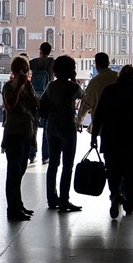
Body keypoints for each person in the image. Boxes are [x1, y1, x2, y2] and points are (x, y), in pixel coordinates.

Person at [91, 64, 133, 218]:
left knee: (113, 171)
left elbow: (99, 115)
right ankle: (130, 206)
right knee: (131, 174)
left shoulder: (109, 89)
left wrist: (94, 136)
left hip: (110, 138)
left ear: (120, 75)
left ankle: (115, 194)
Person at [41, 55, 85, 212]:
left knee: (53, 163)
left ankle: (52, 198)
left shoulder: (51, 86)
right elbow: (82, 95)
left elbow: (43, 101)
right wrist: (74, 79)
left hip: (51, 126)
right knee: (67, 165)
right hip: (67, 126)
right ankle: (64, 199)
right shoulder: (73, 87)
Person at [2, 55, 40, 221]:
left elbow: (37, 106)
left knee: (21, 170)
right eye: (20, 71)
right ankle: (13, 208)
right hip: (14, 133)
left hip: (26, 132)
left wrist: (30, 92)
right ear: (14, 71)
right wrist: (18, 87)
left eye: (25, 70)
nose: (23, 73)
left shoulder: (28, 87)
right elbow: (10, 105)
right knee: (14, 172)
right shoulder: (8, 87)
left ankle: (18, 205)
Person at [76, 52, 118, 131]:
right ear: (108, 63)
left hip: (101, 124)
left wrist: (79, 121)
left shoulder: (94, 82)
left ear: (97, 65)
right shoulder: (119, 77)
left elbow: (86, 105)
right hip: (119, 122)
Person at [29, 42, 54, 164]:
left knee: (33, 128)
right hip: (46, 98)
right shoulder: (52, 62)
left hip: (34, 98)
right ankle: (45, 156)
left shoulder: (33, 62)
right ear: (49, 51)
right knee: (46, 129)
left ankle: (32, 155)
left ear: (40, 50)